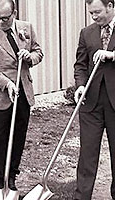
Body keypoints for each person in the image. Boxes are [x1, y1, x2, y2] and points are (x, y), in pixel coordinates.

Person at [0, 0, 43, 198]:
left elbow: (38, 52)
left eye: (5, 18)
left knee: (17, 139)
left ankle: (10, 181)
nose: (0, 22)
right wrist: (7, 83)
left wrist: (30, 56)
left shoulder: (26, 28)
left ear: (14, 13)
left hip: (23, 91)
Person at [74, 0, 115, 199]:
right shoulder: (86, 33)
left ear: (110, 5)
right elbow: (80, 65)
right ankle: (82, 196)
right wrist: (80, 85)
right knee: (87, 154)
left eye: (97, 11)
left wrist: (112, 55)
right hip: (91, 104)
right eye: (91, 13)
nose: (94, 16)